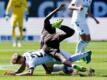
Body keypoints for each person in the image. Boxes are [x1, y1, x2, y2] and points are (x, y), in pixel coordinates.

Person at [4, 49, 92, 76]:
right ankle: (65, 68)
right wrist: (14, 73)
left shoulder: (31, 61)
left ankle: (85, 54)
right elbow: (23, 67)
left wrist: (16, 75)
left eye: (18, 63)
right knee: (49, 71)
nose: (19, 64)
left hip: (53, 55)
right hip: (48, 57)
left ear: (20, 59)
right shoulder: (25, 54)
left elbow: (30, 73)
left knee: (69, 60)